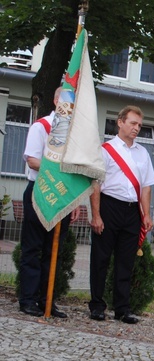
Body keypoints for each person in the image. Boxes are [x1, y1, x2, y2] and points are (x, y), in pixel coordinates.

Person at [89, 105, 154, 324]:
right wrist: (96, 215)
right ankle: (97, 305)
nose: (136, 128)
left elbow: (146, 187)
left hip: (132, 211)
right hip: (109, 207)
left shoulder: (143, 153)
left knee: (125, 262)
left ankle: (122, 308)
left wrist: (146, 214)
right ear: (120, 122)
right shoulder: (106, 149)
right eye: (133, 123)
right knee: (100, 259)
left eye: (139, 125)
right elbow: (96, 185)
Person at [18, 86, 79, 318]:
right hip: (40, 191)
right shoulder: (41, 127)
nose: (69, 106)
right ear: (56, 101)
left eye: (72, 102)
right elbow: (33, 161)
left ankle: (47, 301)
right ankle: (28, 300)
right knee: (33, 249)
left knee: (54, 251)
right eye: (65, 101)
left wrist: (75, 202)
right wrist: (56, 173)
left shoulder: (73, 135)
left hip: (63, 196)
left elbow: (75, 171)